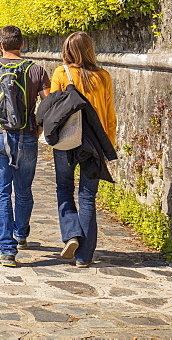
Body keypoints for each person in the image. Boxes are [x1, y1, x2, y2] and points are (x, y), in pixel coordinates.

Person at [0, 25, 50, 267]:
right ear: (22, 44)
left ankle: (7, 250)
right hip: (27, 137)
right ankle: (21, 235)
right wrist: (39, 129)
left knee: (1, 192)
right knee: (24, 190)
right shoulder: (37, 70)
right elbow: (48, 106)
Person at [49, 31, 117, 267]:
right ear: (90, 50)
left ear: (67, 50)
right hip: (94, 144)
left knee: (64, 188)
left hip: (67, 140)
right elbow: (109, 116)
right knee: (88, 197)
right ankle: (84, 257)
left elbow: (53, 110)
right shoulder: (103, 77)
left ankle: (71, 235)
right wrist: (109, 148)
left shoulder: (61, 73)